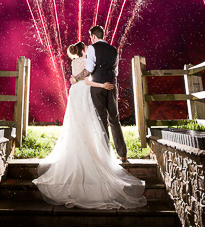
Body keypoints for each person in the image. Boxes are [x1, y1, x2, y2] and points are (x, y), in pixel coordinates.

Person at [33, 42, 146, 209]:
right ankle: (98, 151)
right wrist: (103, 85)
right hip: (85, 92)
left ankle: (80, 149)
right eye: (85, 48)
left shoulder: (74, 62)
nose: (87, 49)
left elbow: (78, 79)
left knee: (77, 124)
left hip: (75, 93)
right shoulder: (86, 61)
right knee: (91, 122)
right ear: (82, 50)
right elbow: (87, 80)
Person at [70, 25, 128, 163]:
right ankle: (123, 153)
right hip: (112, 86)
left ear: (94, 36)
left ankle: (105, 154)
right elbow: (116, 72)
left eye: (91, 37)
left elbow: (89, 69)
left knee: (101, 120)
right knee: (114, 119)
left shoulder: (92, 48)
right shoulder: (114, 50)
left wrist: (76, 78)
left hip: (98, 88)